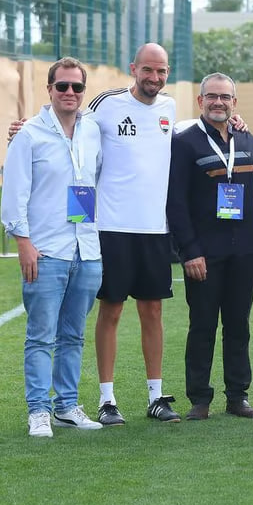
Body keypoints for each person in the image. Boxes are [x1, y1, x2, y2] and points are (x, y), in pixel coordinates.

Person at [2, 57, 104, 436]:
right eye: (62, 86)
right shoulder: (29, 134)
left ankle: (67, 405)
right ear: (49, 89)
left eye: (77, 87)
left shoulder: (93, 129)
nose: (69, 93)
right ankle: (38, 410)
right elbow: (15, 194)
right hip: (45, 250)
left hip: (86, 249)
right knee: (41, 335)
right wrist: (24, 244)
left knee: (73, 335)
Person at [167, 73, 253, 420]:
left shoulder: (244, 137)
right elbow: (176, 203)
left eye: (225, 98)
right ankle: (199, 398)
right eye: (211, 97)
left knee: (238, 324)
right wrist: (189, 251)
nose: (218, 103)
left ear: (234, 103)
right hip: (204, 253)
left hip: (245, 249)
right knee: (202, 325)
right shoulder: (185, 142)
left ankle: (237, 396)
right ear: (200, 101)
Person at [88, 43, 180, 423]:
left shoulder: (170, 108)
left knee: (153, 311)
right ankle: (107, 400)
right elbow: (72, 140)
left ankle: (156, 397)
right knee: (110, 311)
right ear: (133, 68)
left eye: (161, 72)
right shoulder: (105, 104)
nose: (154, 78)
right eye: (148, 70)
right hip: (111, 228)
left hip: (154, 230)